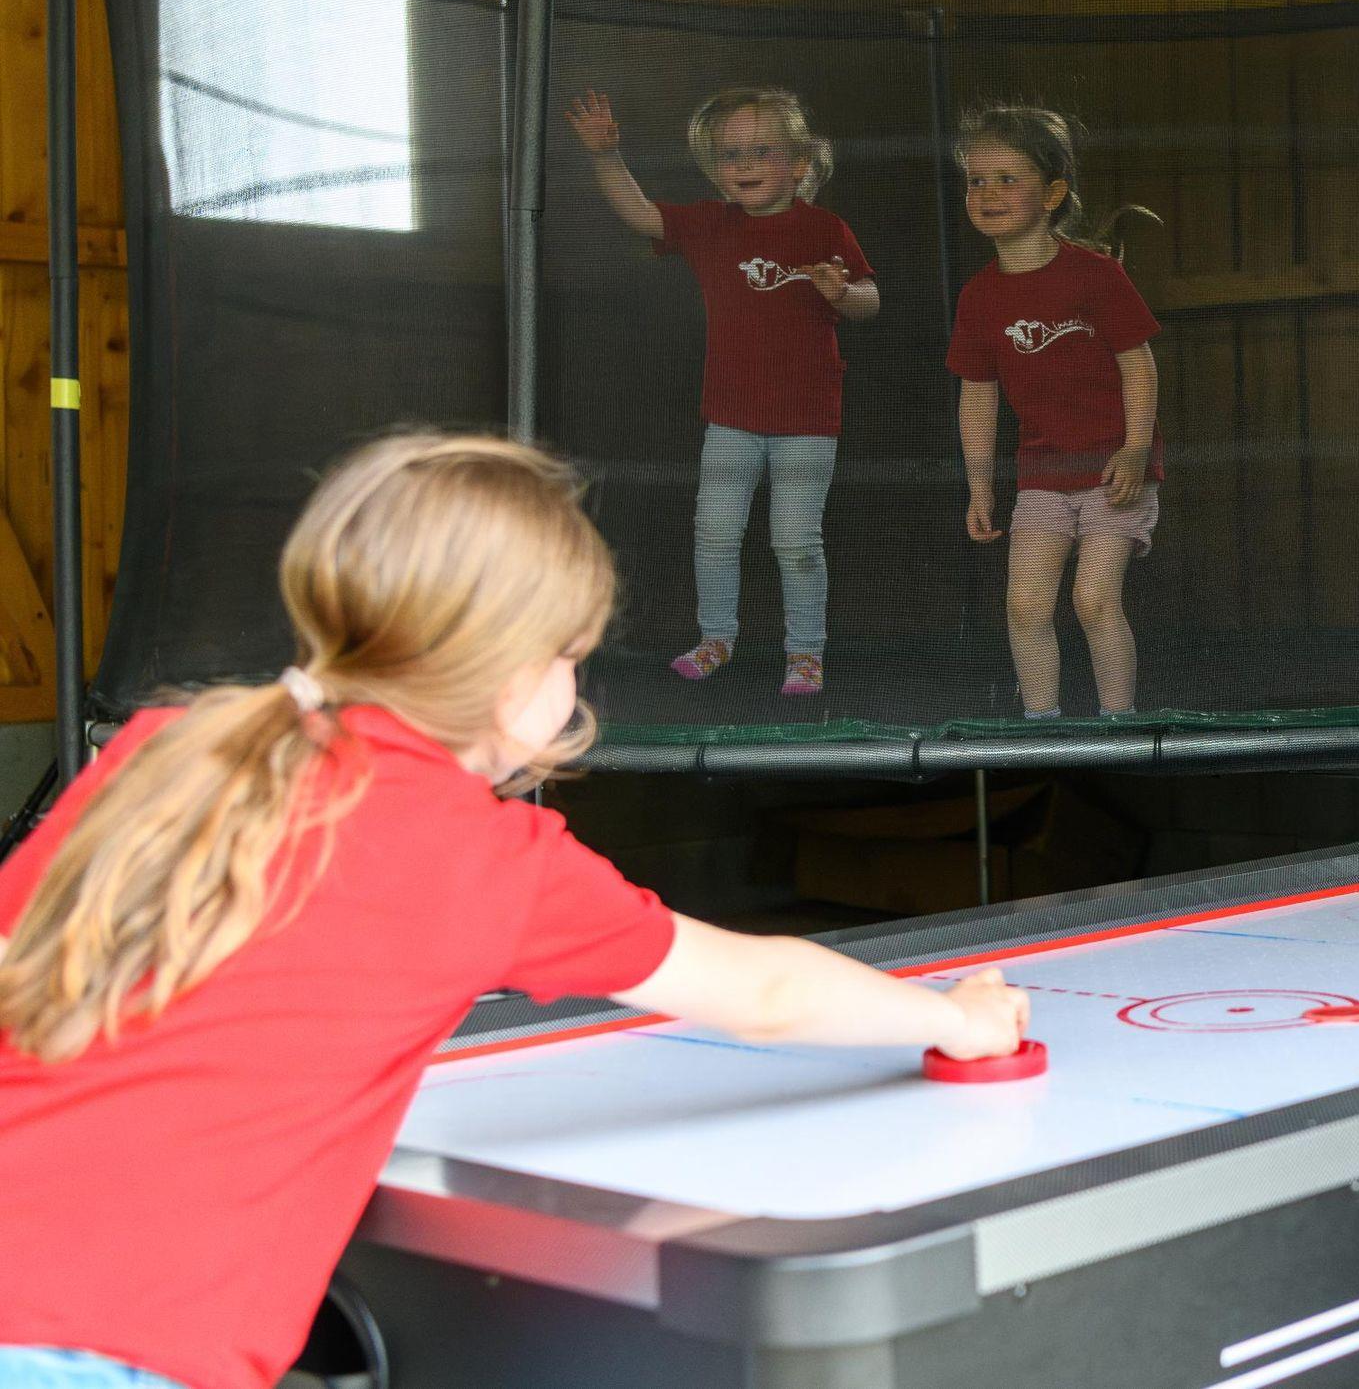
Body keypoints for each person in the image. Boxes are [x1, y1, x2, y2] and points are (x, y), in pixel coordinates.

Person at [0, 433, 1026, 1389]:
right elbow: (763, 991)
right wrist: (952, 1017)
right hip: (108, 1350)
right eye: (571, 653)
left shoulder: (170, 745)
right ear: (513, 676)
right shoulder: (477, 852)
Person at [567, 85, 879, 697]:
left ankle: (806, 652)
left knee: (796, 540)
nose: (744, 165)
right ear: (715, 168)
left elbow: (870, 300)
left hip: (807, 421)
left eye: (761, 152)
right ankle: (716, 638)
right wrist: (606, 154)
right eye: (730, 154)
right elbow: (640, 214)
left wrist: (842, 293)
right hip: (731, 419)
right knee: (714, 533)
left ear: (798, 163)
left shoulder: (824, 229)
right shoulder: (711, 224)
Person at [945, 106, 1164, 720]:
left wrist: (1135, 450)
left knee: (1093, 600)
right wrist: (980, 486)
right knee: (1025, 607)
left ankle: (1120, 727)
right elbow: (978, 395)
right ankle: (1039, 727)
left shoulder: (1095, 276)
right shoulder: (979, 296)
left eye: (1007, 179)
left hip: (1114, 471)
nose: (987, 194)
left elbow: (1139, 366)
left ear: (1052, 194)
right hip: (1042, 474)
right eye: (976, 181)